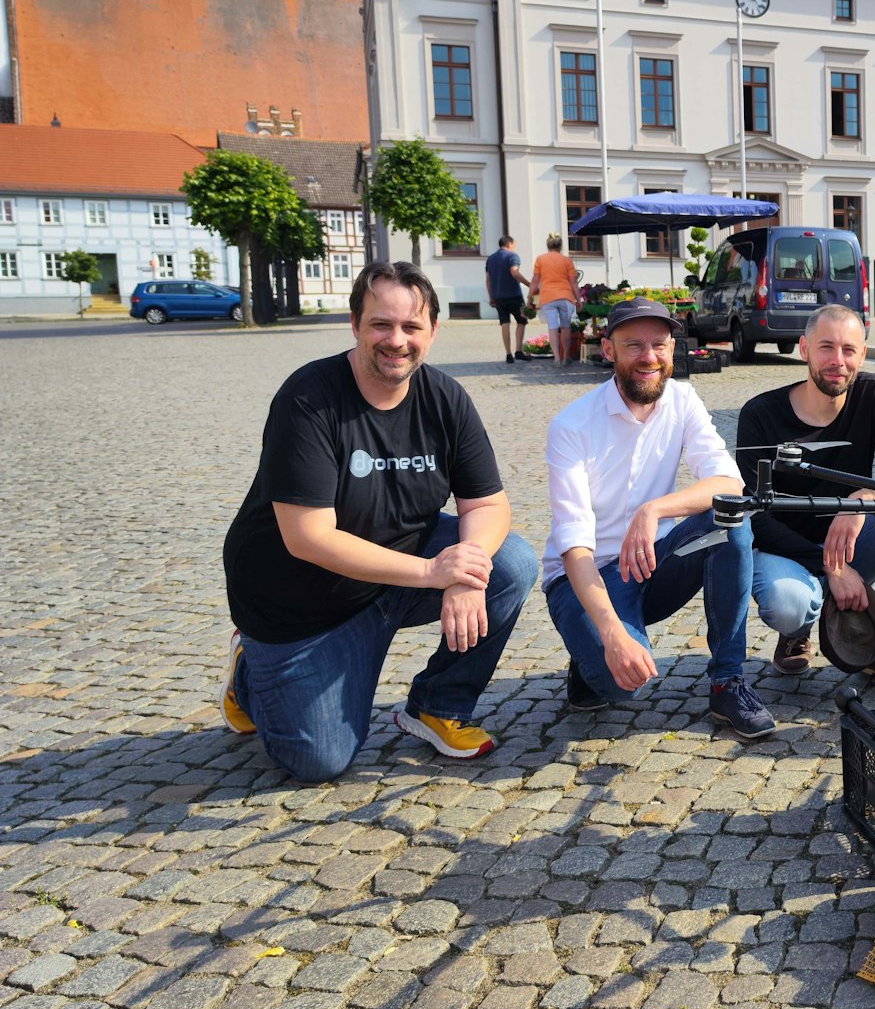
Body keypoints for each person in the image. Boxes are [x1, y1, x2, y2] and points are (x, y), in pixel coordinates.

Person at [220, 262, 537, 781]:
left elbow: (487, 504)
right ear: (354, 324)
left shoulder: (444, 397)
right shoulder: (309, 398)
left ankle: (438, 706)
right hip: (305, 604)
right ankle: (250, 674)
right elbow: (308, 537)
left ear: (433, 330)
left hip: (399, 571)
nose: (396, 340)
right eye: (381, 324)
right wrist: (434, 573)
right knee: (319, 760)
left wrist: (466, 571)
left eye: (412, 326)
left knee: (511, 562)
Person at [541, 297, 772, 738]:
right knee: (619, 685)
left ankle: (727, 681)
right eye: (634, 345)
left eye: (659, 345)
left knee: (731, 522)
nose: (649, 357)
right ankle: (588, 661)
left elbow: (729, 482)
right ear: (607, 349)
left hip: (651, 560)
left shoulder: (682, 400)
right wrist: (613, 636)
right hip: (585, 576)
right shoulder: (572, 425)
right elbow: (574, 547)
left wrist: (655, 509)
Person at [737, 306, 875, 684]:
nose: (838, 361)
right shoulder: (759, 414)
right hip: (783, 548)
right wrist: (832, 568)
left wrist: (866, 497)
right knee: (790, 605)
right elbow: (755, 517)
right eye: (826, 347)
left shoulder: (873, 393)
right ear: (804, 349)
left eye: (849, 350)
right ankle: (797, 630)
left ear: (862, 354)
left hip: (852, 540)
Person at [532, 234, 580, 367]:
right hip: (565, 296)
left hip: (547, 297)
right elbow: (573, 282)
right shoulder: (567, 260)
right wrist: (579, 299)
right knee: (565, 327)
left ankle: (557, 358)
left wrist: (529, 296)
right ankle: (566, 356)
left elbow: (535, 280)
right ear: (560, 246)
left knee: (552, 328)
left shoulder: (540, 259)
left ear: (548, 245)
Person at [485, 234, 532, 363]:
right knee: (521, 321)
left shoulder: (491, 259)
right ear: (509, 244)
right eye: (514, 245)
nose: (514, 247)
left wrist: (491, 296)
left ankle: (508, 354)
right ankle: (518, 351)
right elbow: (514, 272)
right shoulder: (512, 256)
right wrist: (530, 285)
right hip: (514, 295)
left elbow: (488, 280)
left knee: (504, 323)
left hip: (498, 296)